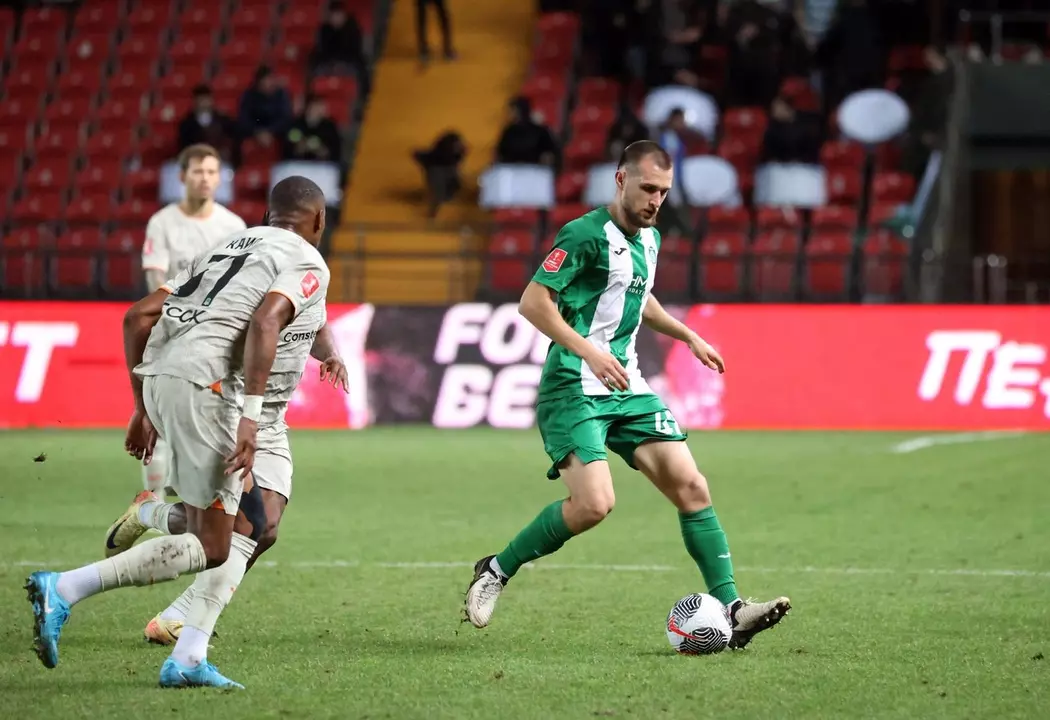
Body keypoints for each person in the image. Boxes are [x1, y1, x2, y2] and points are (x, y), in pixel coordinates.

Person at [462, 141, 791, 649]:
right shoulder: (584, 234)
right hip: (573, 385)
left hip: (626, 386)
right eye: (648, 188)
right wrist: (589, 352)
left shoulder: (650, 239)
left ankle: (733, 609)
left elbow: (638, 295)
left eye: (664, 192)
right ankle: (496, 569)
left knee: (692, 487)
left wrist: (689, 336)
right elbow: (532, 302)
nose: (656, 200)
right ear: (621, 180)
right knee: (594, 505)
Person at [24, 176, 332, 688]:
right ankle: (65, 588)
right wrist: (250, 417)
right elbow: (265, 323)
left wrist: (143, 406)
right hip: (212, 391)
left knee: (255, 525)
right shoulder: (307, 260)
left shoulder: (227, 247)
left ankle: (188, 656)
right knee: (217, 542)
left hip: (172, 380)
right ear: (319, 219)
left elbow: (137, 317)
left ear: (267, 214)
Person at [103, 323, 349, 646]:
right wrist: (147, 407)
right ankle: (145, 526)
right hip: (222, 413)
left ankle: (176, 604)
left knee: (265, 528)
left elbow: (317, 326)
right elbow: (146, 318)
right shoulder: (246, 294)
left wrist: (332, 354)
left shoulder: (309, 292)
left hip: (271, 424)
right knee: (228, 525)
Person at [140, 144, 247, 499]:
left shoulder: (233, 226)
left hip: (215, 340)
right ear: (182, 176)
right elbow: (155, 278)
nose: (205, 179)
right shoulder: (163, 223)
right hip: (171, 332)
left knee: (215, 416)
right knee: (159, 417)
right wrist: (173, 318)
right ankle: (152, 501)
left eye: (212, 172)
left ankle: (204, 495)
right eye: (198, 171)